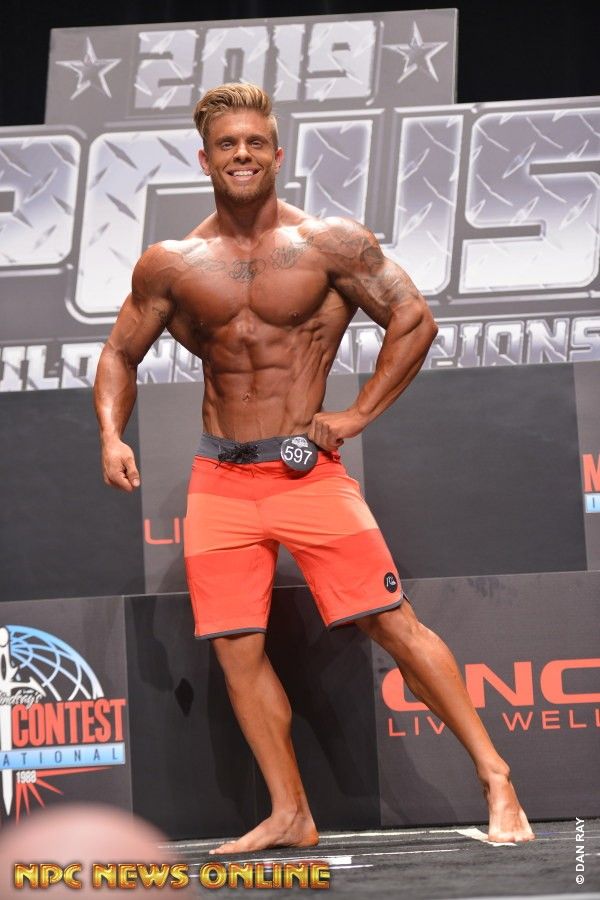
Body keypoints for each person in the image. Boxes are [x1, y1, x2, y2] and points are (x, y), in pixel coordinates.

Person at [93, 83, 535, 853]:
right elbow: (117, 353)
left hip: (306, 473)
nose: (241, 154)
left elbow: (413, 319)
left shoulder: (329, 244)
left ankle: (497, 778)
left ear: (277, 152)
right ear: (204, 158)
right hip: (220, 479)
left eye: (254, 142)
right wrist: (110, 435)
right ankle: (291, 813)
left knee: (392, 622)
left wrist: (357, 413)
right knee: (236, 648)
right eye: (227, 144)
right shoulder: (173, 263)